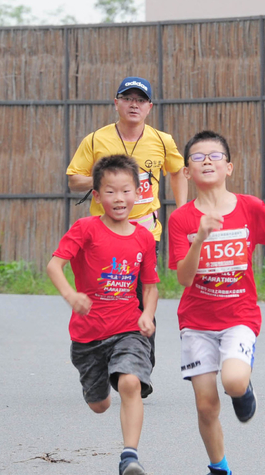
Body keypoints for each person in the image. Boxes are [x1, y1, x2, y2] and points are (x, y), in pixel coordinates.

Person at [167, 130, 265, 475]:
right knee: (206, 404)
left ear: (229, 167)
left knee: (236, 381)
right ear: (188, 173)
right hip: (196, 320)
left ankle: (243, 389)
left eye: (214, 155)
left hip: (239, 313)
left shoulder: (249, 207)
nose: (206, 161)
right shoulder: (181, 220)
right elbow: (183, 277)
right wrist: (199, 238)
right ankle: (219, 472)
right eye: (197, 157)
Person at [47, 154, 159, 475]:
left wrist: (147, 315)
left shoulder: (143, 238)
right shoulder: (86, 228)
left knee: (129, 383)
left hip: (128, 329)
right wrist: (71, 296)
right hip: (88, 337)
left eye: (126, 190)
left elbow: (151, 286)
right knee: (98, 404)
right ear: (96, 196)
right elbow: (55, 266)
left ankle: (130, 456)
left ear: (138, 193)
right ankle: (101, 390)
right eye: (110, 191)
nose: (119, 198)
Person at [66, 76, 187, 364]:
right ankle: (104, 354)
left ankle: (140, 363)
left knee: (143, 296)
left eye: (140, 100)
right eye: (128, 99)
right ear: (116, 103)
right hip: (103, 233)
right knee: (109, 294)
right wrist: (104, 178)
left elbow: (178, 170)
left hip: (145, 230)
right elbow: (73, 180)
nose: (134, 105)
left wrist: (182, 208)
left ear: (149, 107)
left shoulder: (162, 140)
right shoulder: (96, 139)